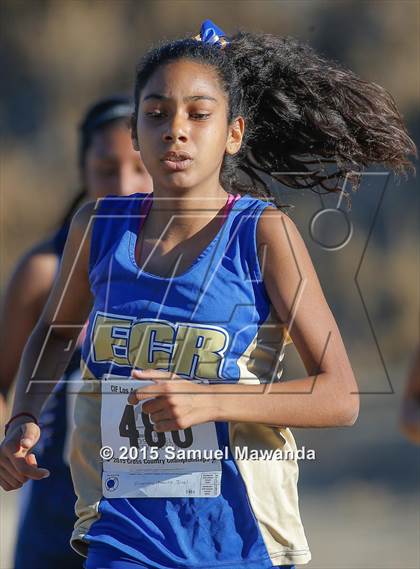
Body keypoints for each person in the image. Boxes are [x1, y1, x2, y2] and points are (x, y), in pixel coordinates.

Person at [0, 19, 416, 569]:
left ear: (234, 133)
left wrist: (209, 401)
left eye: (199, 115)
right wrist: (23, 415)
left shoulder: (264, 233)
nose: (176, 131)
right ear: (134, 135)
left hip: (235, 539)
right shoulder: (97, 226)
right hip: (120, 532)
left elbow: (341, 396)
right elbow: (54, 334)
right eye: (155, 114)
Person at [0, 95, 153, 568]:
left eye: (139, 167)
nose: (123, 184)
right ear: (82, 168)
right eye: (107, 168)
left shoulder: (187, 268)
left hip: (156, 505)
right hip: (57, 506)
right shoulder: (46, 271)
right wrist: (12, 439)